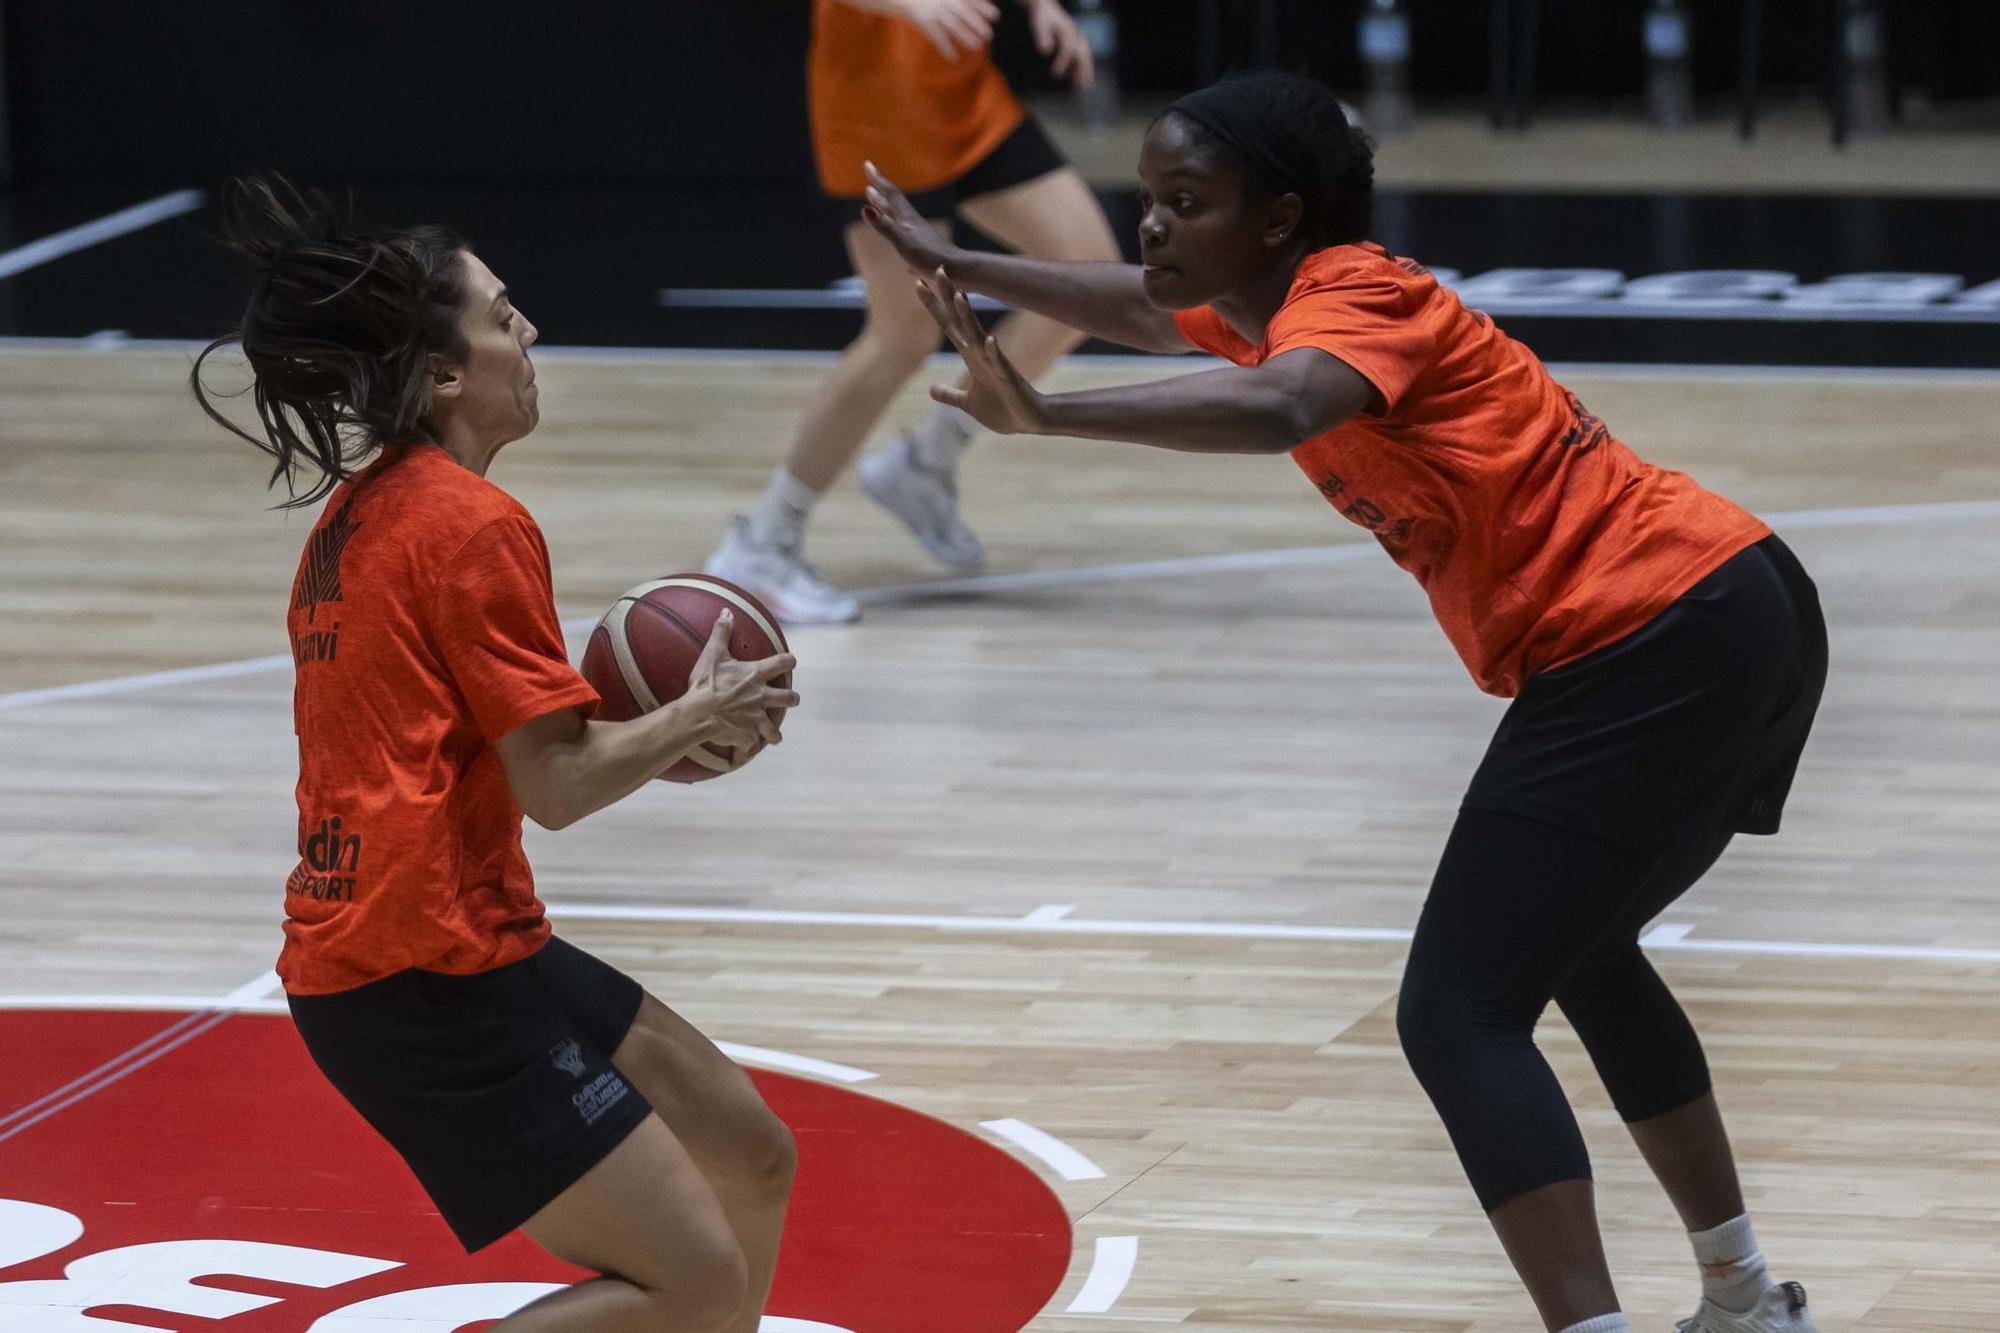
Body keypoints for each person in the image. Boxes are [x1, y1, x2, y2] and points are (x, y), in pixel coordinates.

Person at [862, 73, 1827, 1333]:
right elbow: (1146, 310)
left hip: (1654, 627)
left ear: (1279, 215)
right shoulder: (1272, 303)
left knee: (1456, 1013)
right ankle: (1743, 1299)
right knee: (1580, 953)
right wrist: (958, 260)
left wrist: (1045, 413)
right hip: (1722, 611)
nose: (1150, 226)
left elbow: (1284, 409)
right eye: (1147, 199)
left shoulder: (1353, 295)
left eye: (1183, 202)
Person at [192, 178, 802, 1333]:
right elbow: (558, 784)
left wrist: (679, 720)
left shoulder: (364, 515)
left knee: (748, 1151)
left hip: (447, 937)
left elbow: (526, 764)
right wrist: (696, 708)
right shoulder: (472, 526)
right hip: (418, 977)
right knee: (693, 1279)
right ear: (440, 374)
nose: (530, 334)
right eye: (504, 316)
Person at [702, 0, 1122, 623]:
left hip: (962, 91)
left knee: (1090, 282)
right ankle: (763, 541)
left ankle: (927, 464)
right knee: (903, 336)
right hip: (878, 109)